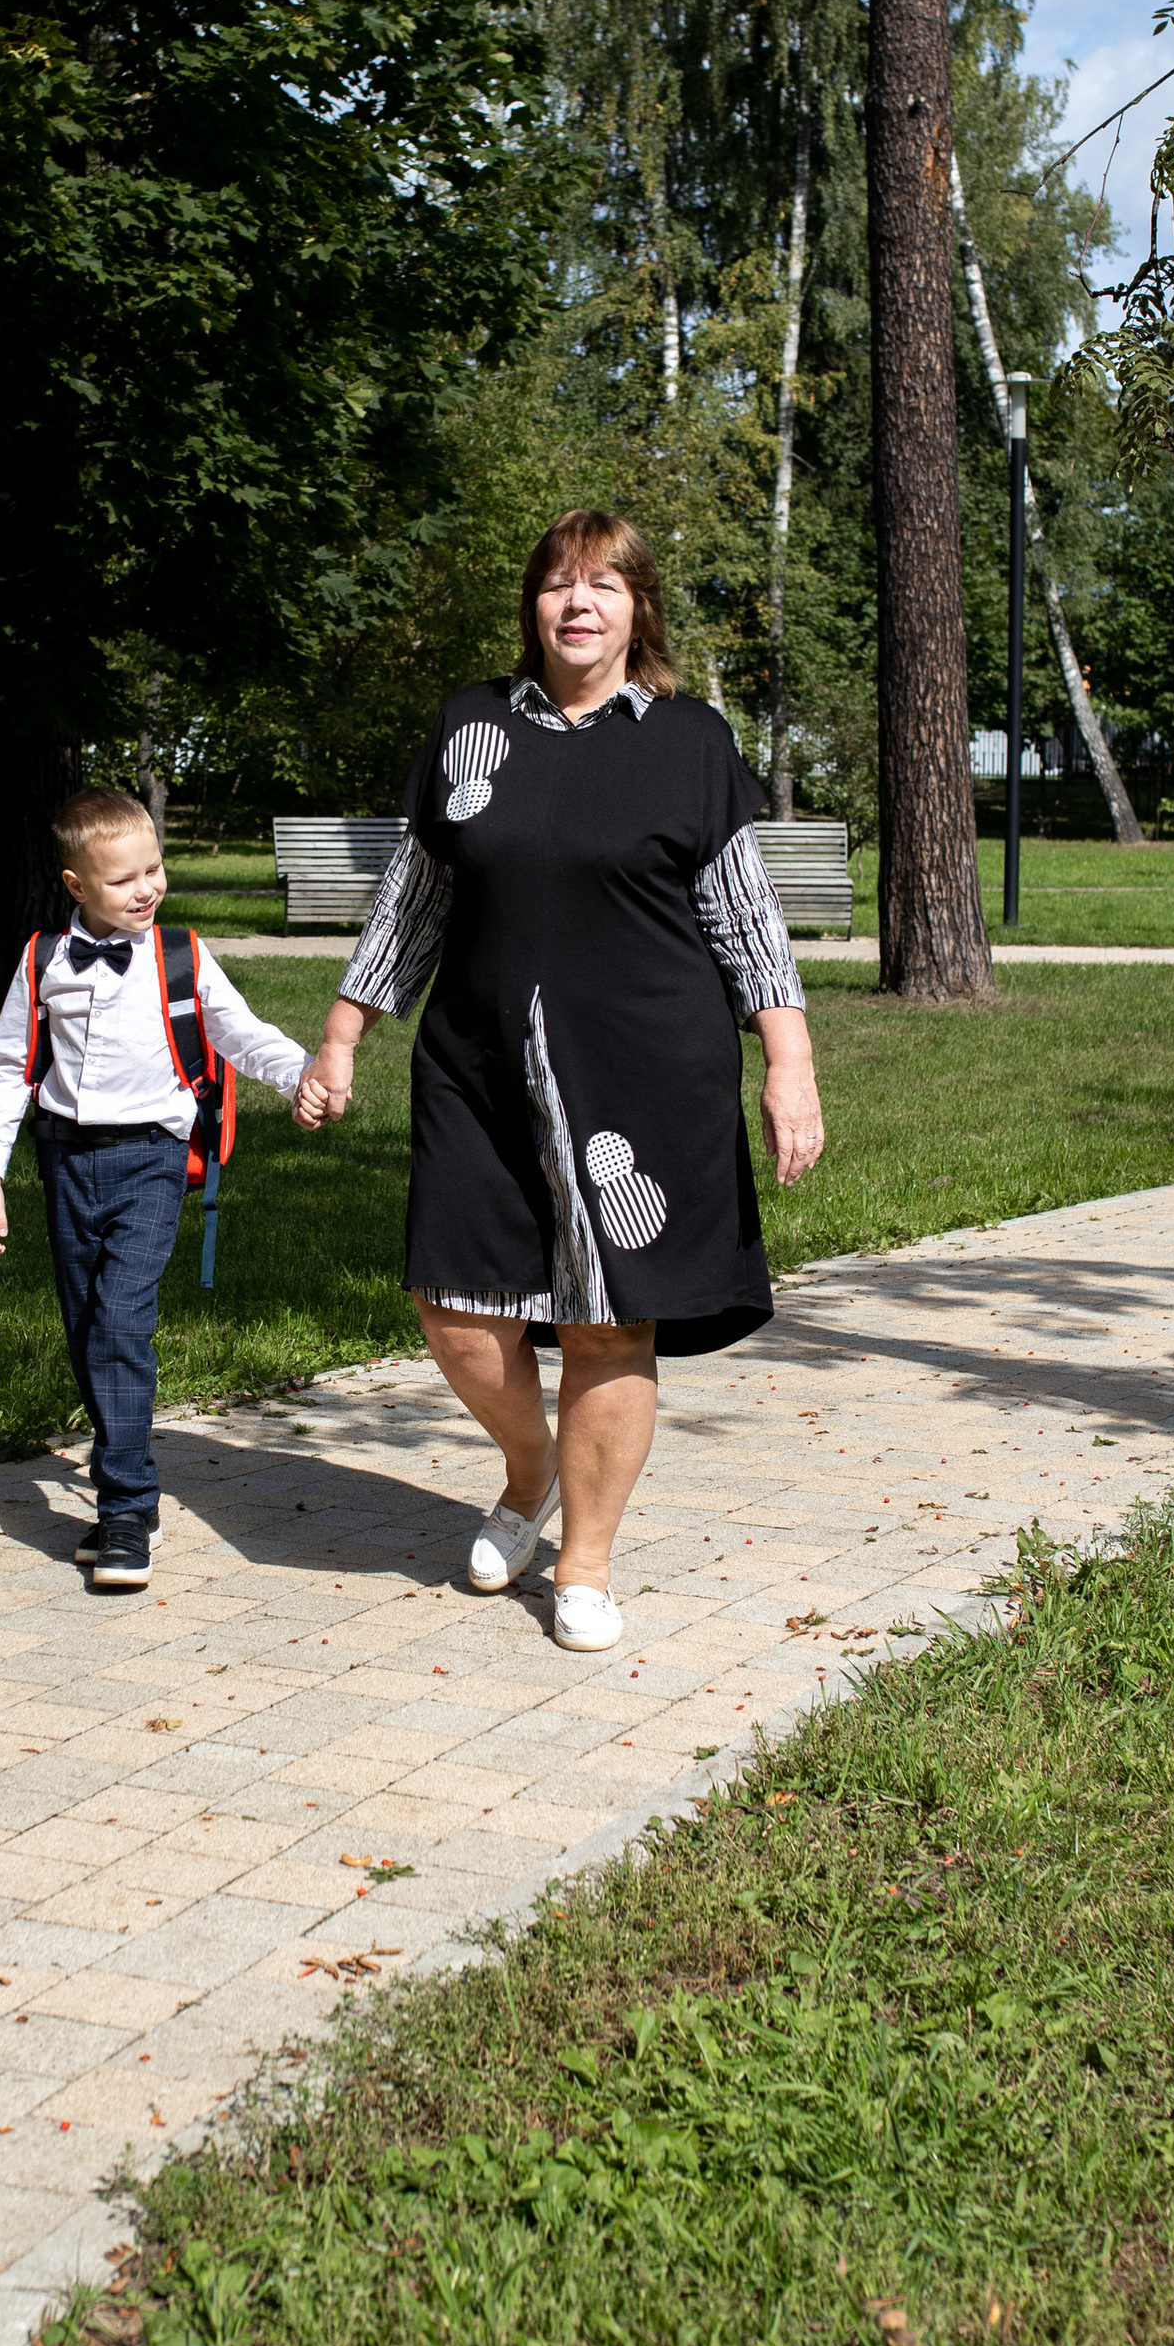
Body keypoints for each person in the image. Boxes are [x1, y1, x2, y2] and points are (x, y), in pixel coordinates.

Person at [293, 510, 825, 1649]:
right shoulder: (471, 727)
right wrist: (342, 1036)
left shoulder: (688, 742)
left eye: (603, 586)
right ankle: (529, 1470)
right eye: (557, 585)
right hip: (476, 1064)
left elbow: (748, 920)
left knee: (604, 1321)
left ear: (639, 610)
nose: (577, 605)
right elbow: (414, 899)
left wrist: (789, 1063)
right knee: (454, 1303)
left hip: (643, 1071)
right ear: (532, 604)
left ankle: (583, 1563)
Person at [0, 786, 312, 1590]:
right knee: (87, 1325)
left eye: (154, 868)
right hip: (63, 1161)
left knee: (122, 1320)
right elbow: (8, 1068)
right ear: (76, 886)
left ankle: (126, 1507)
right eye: (124, 878)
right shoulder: (40, 961)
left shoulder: (182, 956)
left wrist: (305, 1073)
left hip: (154, 1161)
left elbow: (241, 1033)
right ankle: (126, 1487)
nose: (146, 888)